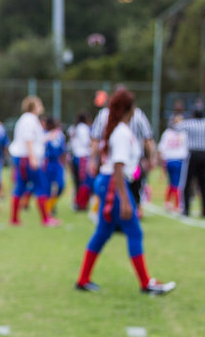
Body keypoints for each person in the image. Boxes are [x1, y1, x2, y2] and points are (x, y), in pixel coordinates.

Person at [74, 87, 175, 296]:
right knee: (135, 232)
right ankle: (146, 283)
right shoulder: (121, 132)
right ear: (130, 108)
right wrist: (126, 201)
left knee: (102, 233)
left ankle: (83, 279)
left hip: (110, 182)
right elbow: (118, 168)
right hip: (114, 184)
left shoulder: (119, 128)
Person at [8, 95, 50, 226]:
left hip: (24, 158)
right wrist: (32, 158)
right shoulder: (29, 119)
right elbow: (28, 139)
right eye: (39, 104)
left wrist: (49, 136)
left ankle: (14, 219)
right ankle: (45, 219)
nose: (41, 106)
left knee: (20, 187)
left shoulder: (28, 119)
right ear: (34, 106)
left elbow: (36, 139)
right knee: (40, 186)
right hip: (27, 158)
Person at [174, 100, 205, 217]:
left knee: (187, 182)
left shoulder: (189, 123)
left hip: (193, 154)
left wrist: (181, 118)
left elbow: (176, 127)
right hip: (204, 154)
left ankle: (186, 209)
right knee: (203, 183)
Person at [157, 116, 187, 212]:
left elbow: (161, 148)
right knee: (177, 183)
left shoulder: (167, 133)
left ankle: (167, 202)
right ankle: (177, 204)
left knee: (171, 182)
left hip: (169, 160)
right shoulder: (183, 133)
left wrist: (161, 162)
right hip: (179, 160)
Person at [42, 116, 66, 226]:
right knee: (46, 188)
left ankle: (51, 205)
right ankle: (47, 212)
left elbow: (63, 151)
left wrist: (64, 164)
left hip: (57, 163)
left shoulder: (59, 135)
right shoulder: (43, 134)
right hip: (47, 163)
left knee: (61, 186)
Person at [67, 111, 93, 211]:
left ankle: (79, 202)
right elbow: (86, 142)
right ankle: (80, 203)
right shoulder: (83, 128)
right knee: (85, 181)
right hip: (82, 156)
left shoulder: (74, 128)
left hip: (76, 156)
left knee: (78, 181)